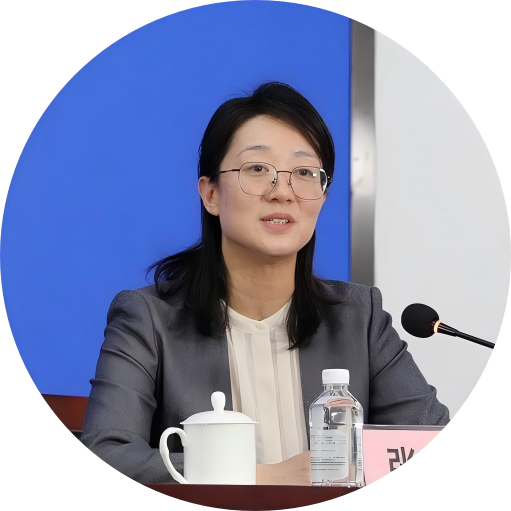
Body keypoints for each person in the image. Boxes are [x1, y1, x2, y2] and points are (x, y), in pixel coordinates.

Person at [79, 82, 449, 484]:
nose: (282, 192)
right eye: (257, 169)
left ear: (323, 196)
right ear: (210, 194)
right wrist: (260, 477)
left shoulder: (360, 318)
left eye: (304, 173)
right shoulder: (149, 320)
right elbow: (108, 452)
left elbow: (426, 436)